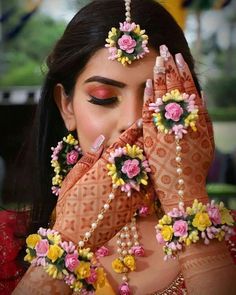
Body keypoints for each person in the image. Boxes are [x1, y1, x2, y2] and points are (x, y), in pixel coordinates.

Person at [10, 0, 236, 294]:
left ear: (192, 107)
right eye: (104, 98)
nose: (132, 120)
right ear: (66, 106)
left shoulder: (227, 245)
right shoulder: (8, 241)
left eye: (156, 101)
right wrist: (67, 239)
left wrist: (187, 204)